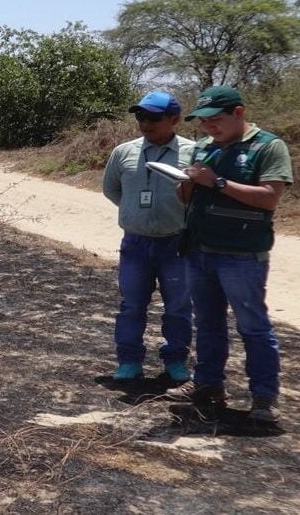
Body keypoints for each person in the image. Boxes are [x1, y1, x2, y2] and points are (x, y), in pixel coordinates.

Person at [168, 86, 293, 423]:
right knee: (207, 323)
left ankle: (263, 397)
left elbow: (269, 197)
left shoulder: (268, 146)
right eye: (203, 121)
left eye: (215, 120)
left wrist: (218, 183)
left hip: (241, 254)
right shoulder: (204, 148)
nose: (209, 127)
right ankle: (208, 385)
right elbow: (185, 199)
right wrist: (188, 183)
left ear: (239, 113)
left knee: (253, 326)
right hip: (199, 250)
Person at [102, 91, 195, 383]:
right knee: (131, 305)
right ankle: (129, 362)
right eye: (140, 116)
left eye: (153, 117)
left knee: (179, 307)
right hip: (136, 243)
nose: (145, 122)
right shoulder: (123, 152)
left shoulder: (194, 152)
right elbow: (112, 189)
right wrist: (135, 213)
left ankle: (175, 361)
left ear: (175, 119)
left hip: (177, 243)